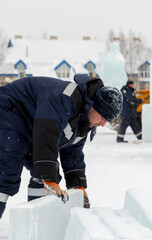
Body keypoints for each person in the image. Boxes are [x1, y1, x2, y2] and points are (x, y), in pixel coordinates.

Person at [0, 74, 122, 218]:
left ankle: (37, 225)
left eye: (107, 120)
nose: (103, 124)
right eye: (102, 117)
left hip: (32, 126)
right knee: (8, 170)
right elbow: (47, 132)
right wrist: (48, 178)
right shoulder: (65, 98)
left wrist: (77, 184)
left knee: (47, 176)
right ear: (92, 107)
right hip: (10, 109)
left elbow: (73, 152)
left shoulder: (85, 119)